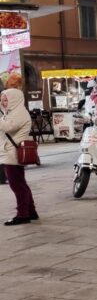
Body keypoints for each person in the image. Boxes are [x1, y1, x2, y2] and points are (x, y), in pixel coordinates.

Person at [1, 88, 38, 226]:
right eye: (2, 99)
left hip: (13, 153)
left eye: (6, 99)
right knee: (20, 183)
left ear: (14, 100)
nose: (3, 102)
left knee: (16, 185)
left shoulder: (19, 113)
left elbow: (8, 128)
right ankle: (31, 212)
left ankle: (23, 215)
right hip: (10, 152)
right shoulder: (11, 113)